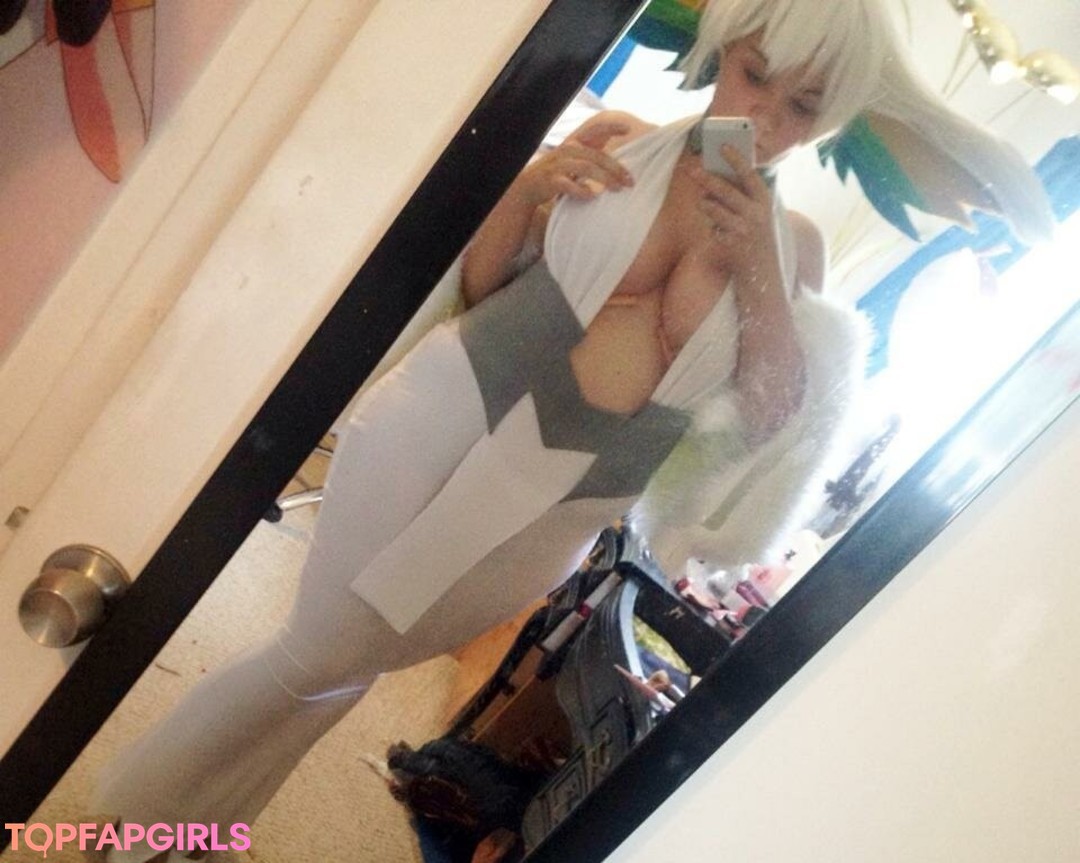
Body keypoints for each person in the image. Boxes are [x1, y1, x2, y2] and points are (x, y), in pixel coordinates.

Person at [91, 0, 1051, 854]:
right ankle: (122, 829)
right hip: (452, 414)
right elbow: (480, 288)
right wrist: (531, 186)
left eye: (803, 106)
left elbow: (769, 416)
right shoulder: (619, 140)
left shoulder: (791, 247)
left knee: (347, 670)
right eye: (755, 73)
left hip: (561, 511)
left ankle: (208, 827)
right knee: (313, 652)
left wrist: (758, 266)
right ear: (724, 48)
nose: (765, 118)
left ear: (831, 119)